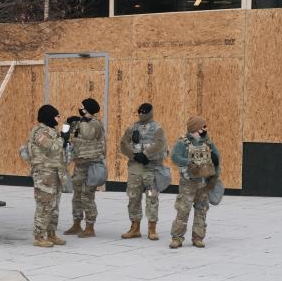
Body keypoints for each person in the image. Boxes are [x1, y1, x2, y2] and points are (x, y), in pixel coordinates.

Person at [169, 115, 221, 249]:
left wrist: (214, 162)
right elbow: (175, 157)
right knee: (183, 210)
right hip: (188, 183)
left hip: (203, 182)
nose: (205, 129)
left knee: (201, 210)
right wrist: (188, 162)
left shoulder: (207, 142)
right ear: (195, 128)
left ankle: (198, 237)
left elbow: (217, 156)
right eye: (203, 127)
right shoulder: (183, 143)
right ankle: (177, 238)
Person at [118, 102, 167, 241]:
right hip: (135, 169)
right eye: (139, 111)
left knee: (152, 197)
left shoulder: (157, 128)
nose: (141, 114)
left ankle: (152, 228)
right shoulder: (132, 128)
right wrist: (134, 155)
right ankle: (135, 227)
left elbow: (160, 144)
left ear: (151, 112)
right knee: (133, 196)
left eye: (144, 111)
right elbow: (123, 144)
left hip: (151, 169)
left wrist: (145, 154)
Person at [63, 97, 106, 238]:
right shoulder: (80, 123)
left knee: (88, 196)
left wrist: (81, 121)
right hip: (80, 164)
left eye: (82, 106)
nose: (80, 108)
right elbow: (69, 138)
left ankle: (89, 226)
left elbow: (88, 135)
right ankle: (76, 224)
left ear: (87, 109)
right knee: (77, 195)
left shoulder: (95, 124)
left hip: (92, 165)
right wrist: (68, 126)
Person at [27, 104, 67, 248]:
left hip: (54, 173)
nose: (59, 119)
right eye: (57, 116)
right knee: (44, 205)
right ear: (49, 116)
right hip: (43, 174)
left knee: (54, 206)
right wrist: (63, 138)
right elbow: (52, 147)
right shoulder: (39, 132)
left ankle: (51, 234)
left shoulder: (52, 130)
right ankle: (39, 236)